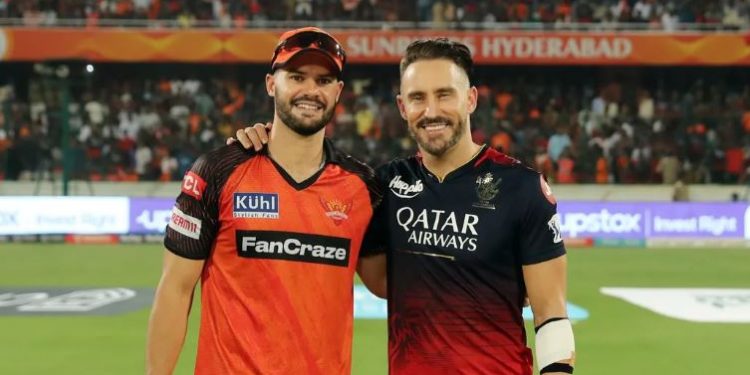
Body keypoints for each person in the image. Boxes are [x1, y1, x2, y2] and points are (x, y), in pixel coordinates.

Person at [233, 38, 576, 374]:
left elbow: (551, 315)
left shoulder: (522, 187)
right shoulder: (384, 185)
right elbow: (381, 283)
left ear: (470, 99)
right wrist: (268, 140)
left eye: (444, 95)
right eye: (417, 98)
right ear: (402, 107)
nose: (431, 111)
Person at [146, 27, 386, 375]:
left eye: (323, 81)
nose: (310, 91)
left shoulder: (363, 186)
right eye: (297, 76)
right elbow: (175, 291)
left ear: (338, 92)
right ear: (272, 84)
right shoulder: (216, 171)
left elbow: (384, 285)